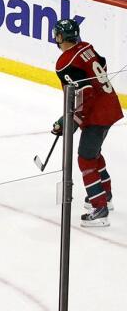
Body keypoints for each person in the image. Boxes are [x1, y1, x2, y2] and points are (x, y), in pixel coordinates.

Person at [52, 18, 122, 226]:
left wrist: (67, 121)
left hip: (97, 114)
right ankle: (105, 196)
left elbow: (84, 97)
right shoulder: (86, 47)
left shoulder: (65, 63)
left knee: (85, 158)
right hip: (109, 105)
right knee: (93, 153)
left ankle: (99, 208)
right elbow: (103, 64)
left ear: (60, 37)